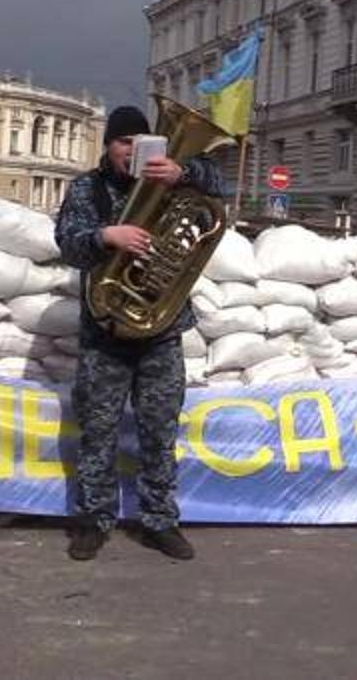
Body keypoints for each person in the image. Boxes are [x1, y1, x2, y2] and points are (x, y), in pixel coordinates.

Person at [54, 104, 224, 561]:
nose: (130, 150)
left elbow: (220, 186)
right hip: (106, 330)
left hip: (160, 329)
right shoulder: (87, 188)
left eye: (137, 141)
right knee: (98, 430)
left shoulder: (170, 179)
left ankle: (160, 520)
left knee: (159, 429)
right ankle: (92, 520)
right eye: (122, 141)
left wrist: (184, 172)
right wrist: (107, 237)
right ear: (108, 146)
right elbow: (67, 243)